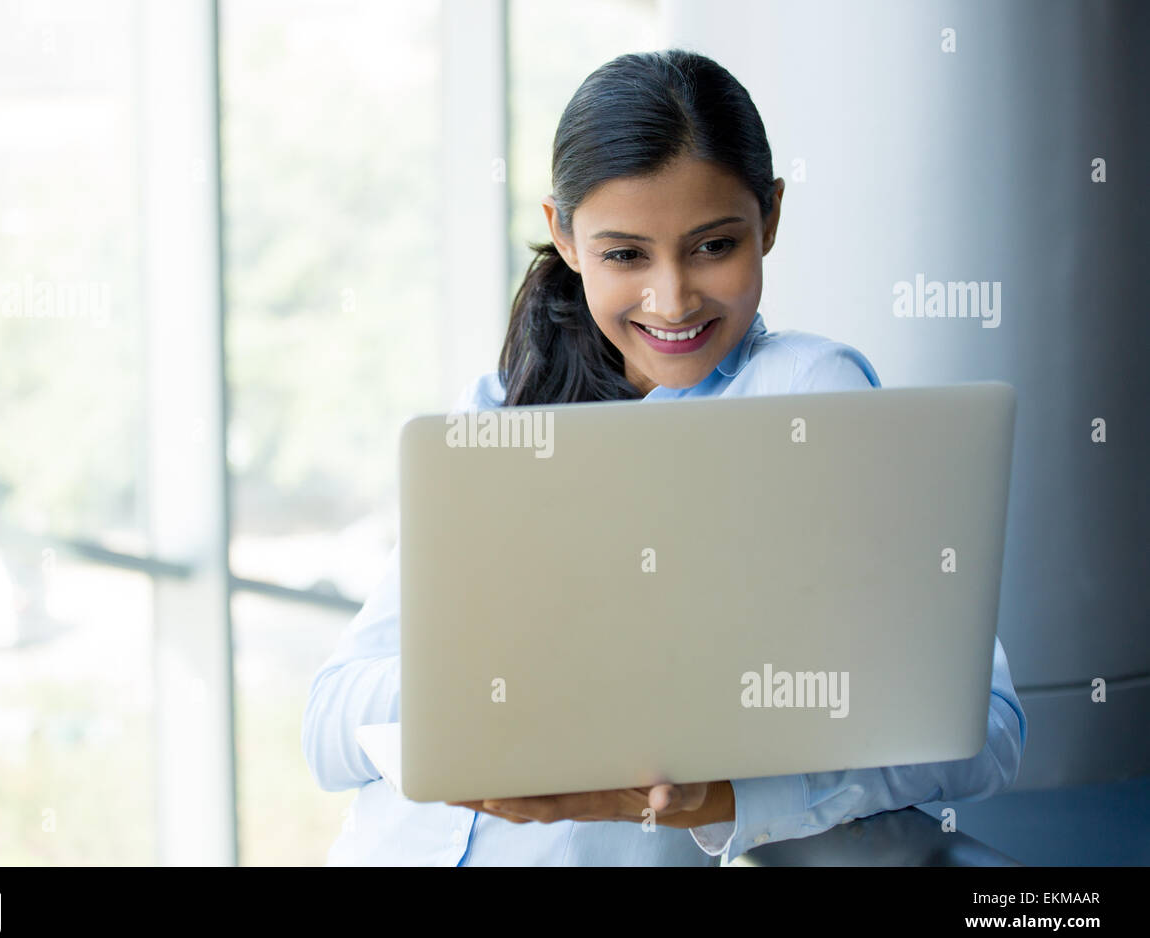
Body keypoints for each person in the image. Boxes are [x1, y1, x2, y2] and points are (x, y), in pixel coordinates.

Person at [302, 48, 1026, 866]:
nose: (673, 298)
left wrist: (725, 800)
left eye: (714, 246)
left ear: (772, 219)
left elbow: (980, 729)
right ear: (564, 238)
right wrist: (489, 690)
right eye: (625, 256)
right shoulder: (500, 408)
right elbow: (330, 728)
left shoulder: (806, 396)